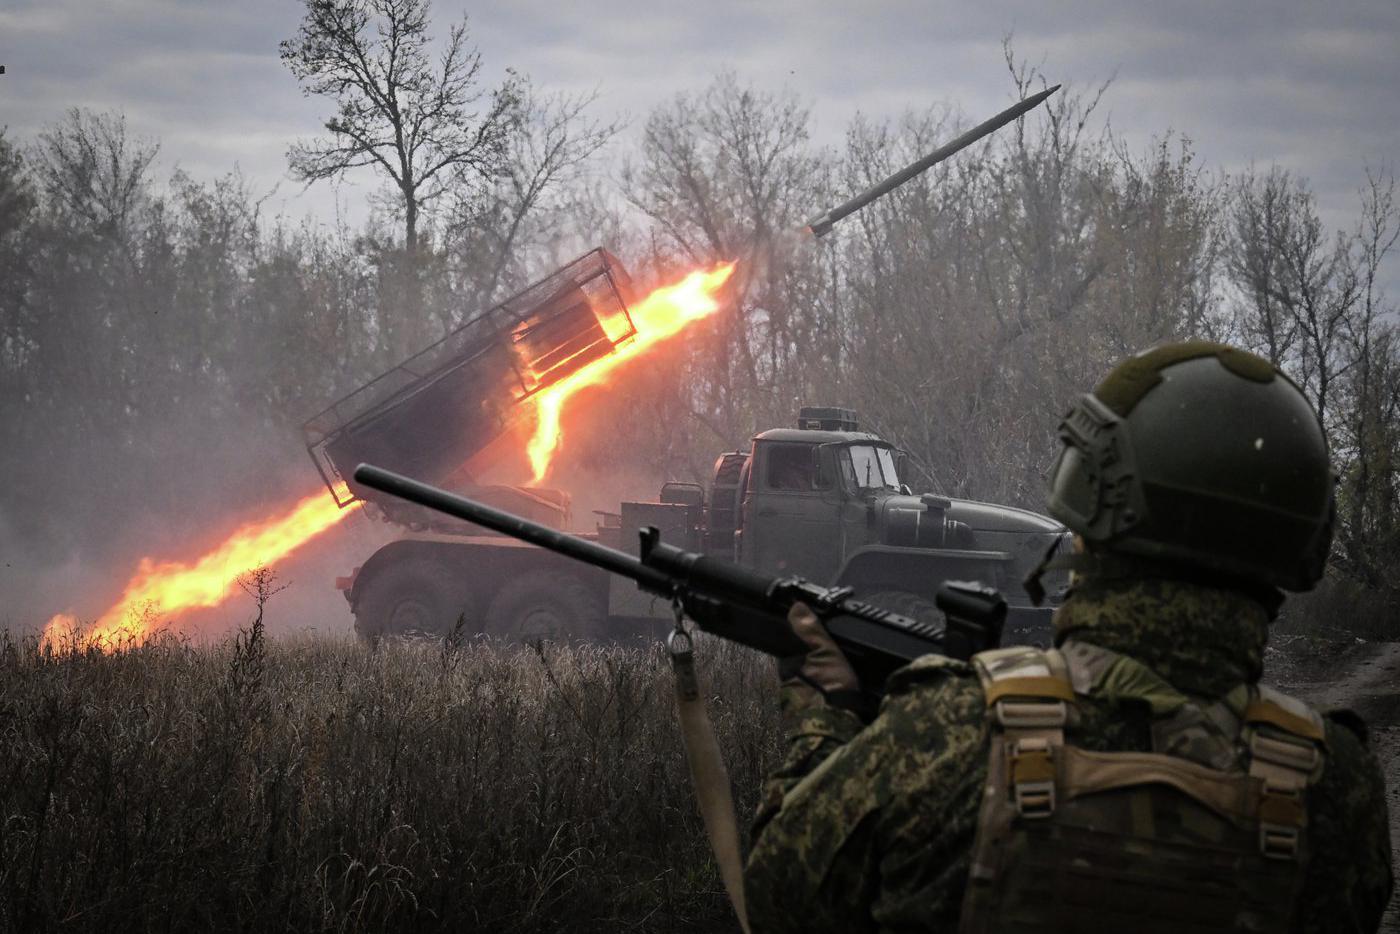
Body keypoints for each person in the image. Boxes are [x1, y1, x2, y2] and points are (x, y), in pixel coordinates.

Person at [743, 341, 1393, 933]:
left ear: (1093, 511)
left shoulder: (942, 740)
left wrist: (821, 714)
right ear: (1301, 541)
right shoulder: (1338, 787)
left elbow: (776, 899)